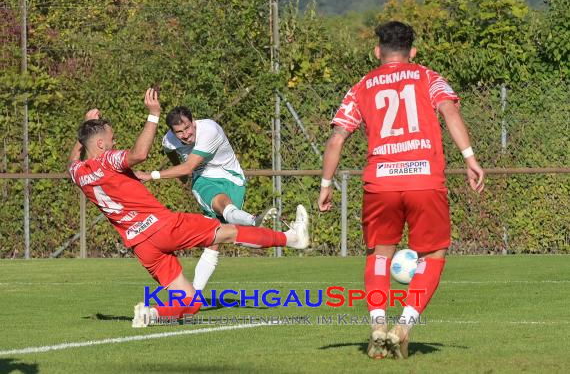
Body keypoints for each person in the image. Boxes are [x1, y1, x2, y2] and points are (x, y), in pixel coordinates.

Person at [67, 88, 309, 328]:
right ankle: (291, 238)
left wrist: (86, 128)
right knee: (228, 231)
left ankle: (151, 314)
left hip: (141, 245)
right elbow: (139, 154)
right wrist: (153, 114)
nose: (115, 141)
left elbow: (74, 159)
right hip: (163, 227)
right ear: (101, 143)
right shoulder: (108, 160)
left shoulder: (77, 173)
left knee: (190, 302)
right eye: (111, 138)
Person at [317, 21, 484, 359]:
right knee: (433, 255)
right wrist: (470, 158)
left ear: (377, 51)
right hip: (424, 180)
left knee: (379, 255)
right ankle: (403, 326)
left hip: (381, 183)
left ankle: (378, 324)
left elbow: (336, 137)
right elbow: (449, 110)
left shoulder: (361, 86)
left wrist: (325, 184)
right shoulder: (427, 76)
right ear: (413, 52)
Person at [135, 106, 276, 293]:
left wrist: (151, 175)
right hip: (204, 179)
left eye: (187, 128)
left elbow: (188, 167)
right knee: (220, 208)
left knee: (216, 240)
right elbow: (173, 154)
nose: (185, 135)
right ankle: (252, 220)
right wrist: (180, 171)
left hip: (233, 179)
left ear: (193, 122)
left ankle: (267, 230)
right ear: (172, 132)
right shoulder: (169, 140)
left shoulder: (209, 130)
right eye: (179, 132)